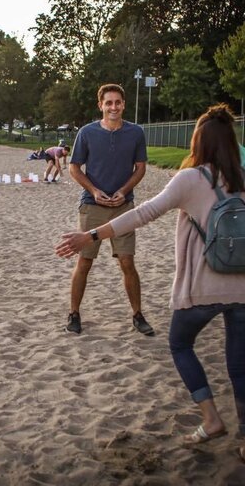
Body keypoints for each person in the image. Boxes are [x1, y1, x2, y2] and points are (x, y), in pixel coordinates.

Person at [55, 103, 245, 469]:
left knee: (180, 344)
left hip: (203, 288)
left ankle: (211, 418)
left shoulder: (190, 179)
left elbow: (142, 214)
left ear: (198, 142)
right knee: (241, 369)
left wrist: (89, 234)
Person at [64, 83, 153, 336]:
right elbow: (74, 168)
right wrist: (93, 190)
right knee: (85, 261)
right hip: (93, 206)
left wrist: (124, 191)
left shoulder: (135, 133)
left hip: (124, 206)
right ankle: (73, 313)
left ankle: (137, 314)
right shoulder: (87, 132)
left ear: (124, 105)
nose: (113, 107)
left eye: (117, 102)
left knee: (127, 262)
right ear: (100, 105)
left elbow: (140, 168)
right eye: (108, 103)